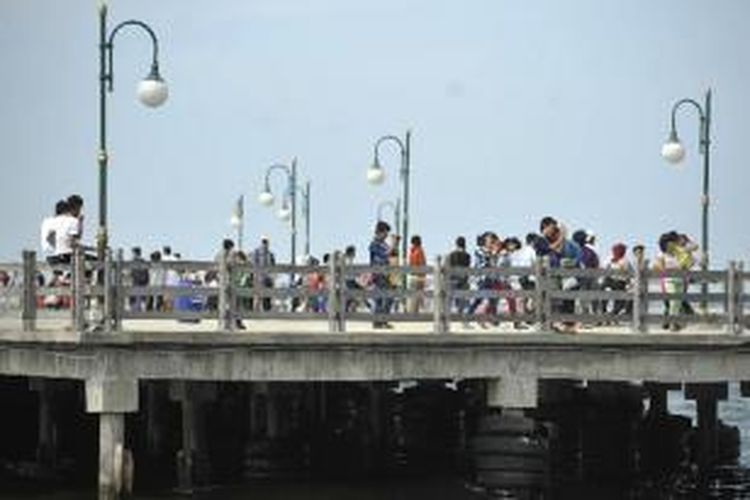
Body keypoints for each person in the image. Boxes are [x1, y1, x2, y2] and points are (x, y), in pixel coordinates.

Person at [369, 221, 392, 329]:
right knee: (379, 299)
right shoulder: (374, 244)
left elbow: (390, 255)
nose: (386, 235)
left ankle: (383, 320)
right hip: (378, 275)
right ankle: (378, 322)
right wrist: (392, 248)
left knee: (388, 298)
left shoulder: (384, 244)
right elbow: (383, 255)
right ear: (380, 232)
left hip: (386, 275)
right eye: (385, 233)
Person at [447, 236, 471, 323]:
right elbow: (467, 269)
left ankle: (447, 317)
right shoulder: (467, 255)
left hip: (452, 279)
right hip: (463, 280)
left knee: (449, 299)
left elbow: (448, 267)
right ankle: (460, 317)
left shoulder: (451, 255)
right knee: (462, 300)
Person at [252, 236, 276, 312]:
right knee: (257, 295)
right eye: (263, 241)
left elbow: (273, 265)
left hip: (268, 277)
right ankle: (255, 312)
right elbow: (254, 263)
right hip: (259, 276)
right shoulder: (256, 252)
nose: (264, 243)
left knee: (268, 295)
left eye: (266, 241)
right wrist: (256, 275)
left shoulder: (270, 254)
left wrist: (273, 276)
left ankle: (267, 311)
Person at [407, 235, 426, 314]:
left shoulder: (413, 251)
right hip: (418, 276)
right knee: (417, 294)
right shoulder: (418, 251)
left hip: (414, 275)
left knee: (414, 294)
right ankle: (414, 311)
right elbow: (422, 264)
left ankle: (413, 311)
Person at [129, 247, 150, 312]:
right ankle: (142, 308)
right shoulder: (143, 261)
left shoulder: (133, 261)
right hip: (143, 280)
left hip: (136, 279)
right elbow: (146, 271)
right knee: (142, 295)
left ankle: (134, 308)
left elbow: (131, 271)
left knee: (134, 294)